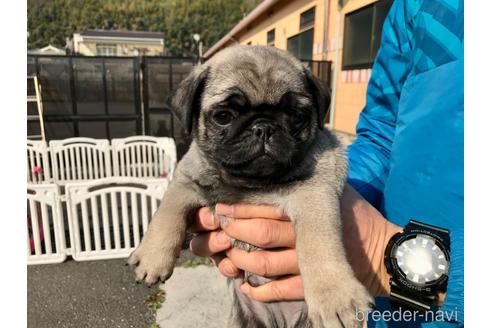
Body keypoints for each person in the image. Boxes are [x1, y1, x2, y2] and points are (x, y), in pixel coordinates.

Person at [188, 0, 464, 326]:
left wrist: (381, 252)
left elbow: (374, 250)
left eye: (293, 115)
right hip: (378, 309)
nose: (261, 131)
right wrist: (324, 196)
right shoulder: (415, 7)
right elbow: (380, 136)